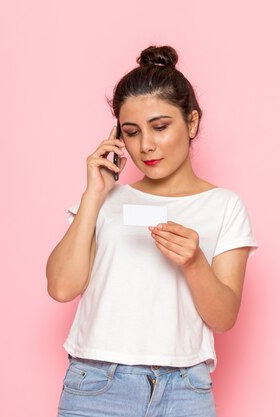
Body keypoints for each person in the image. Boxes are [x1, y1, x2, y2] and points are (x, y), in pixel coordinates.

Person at [45, 45, 258, 417]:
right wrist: (94, 195)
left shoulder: (224, 205)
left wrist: (193, 263)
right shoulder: (105, 200)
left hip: (185, 390)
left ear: (191, 122)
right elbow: (61, 287)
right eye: (131, 132)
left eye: (160, 127)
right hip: (97, 386)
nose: (146, 145)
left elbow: (224, 318)